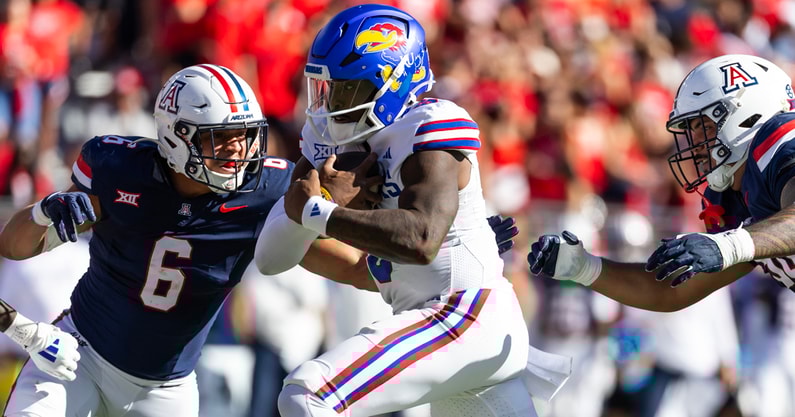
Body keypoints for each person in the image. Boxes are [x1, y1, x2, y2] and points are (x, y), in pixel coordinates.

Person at [0, 61, 518, 416]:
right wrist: (46, 214)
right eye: (219, 139)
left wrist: (455, 244)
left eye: (243, 135)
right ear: (176, 135)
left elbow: (356, 270)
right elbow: (14, 245)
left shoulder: (267, 190)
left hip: (167, 388)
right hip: (78, 355)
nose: (237, 151)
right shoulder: (118, 168)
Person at [254, 4, 571, 417]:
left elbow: (421, 239)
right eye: (325, 89)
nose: (329, 104)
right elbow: (271, 258)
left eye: (346, 90)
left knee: (308, 394)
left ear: (391, 82)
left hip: (463, 317)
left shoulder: (428, 125)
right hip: (446, 325)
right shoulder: (335, 146)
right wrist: (318, 208)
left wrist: (319, 213)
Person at [526, 53, 795, 313]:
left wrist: (728, 245)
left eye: (705, 125)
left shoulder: (781, 142)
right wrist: (584, 268)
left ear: (748, 114)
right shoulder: (739, 200)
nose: (696, 142)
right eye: (691, 129)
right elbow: (671, 291)